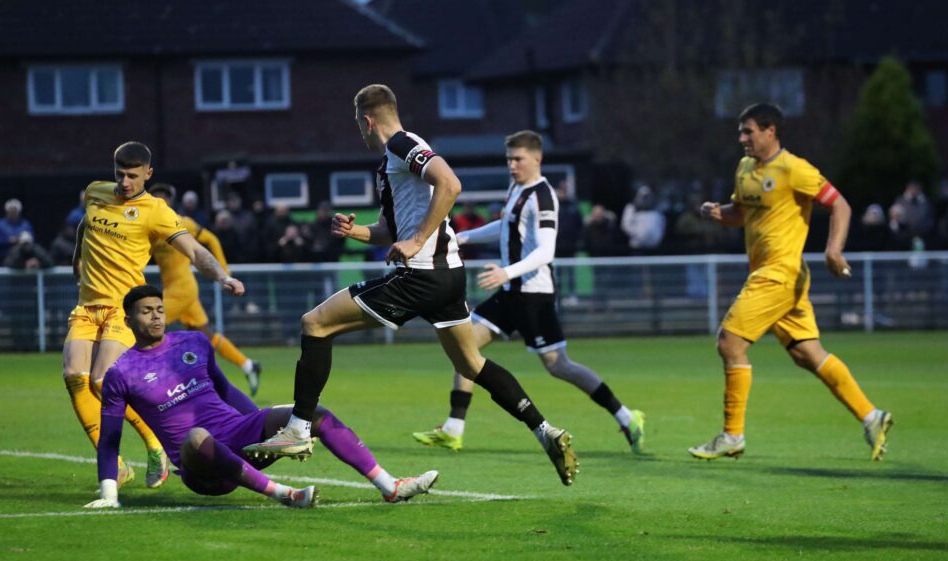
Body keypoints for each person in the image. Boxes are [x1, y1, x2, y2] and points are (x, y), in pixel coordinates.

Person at [250, 84, 579, 486]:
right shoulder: (396, 158)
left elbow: (450, 184)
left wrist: (418, 240)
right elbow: (392, 230)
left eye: (359, 125)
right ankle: (545, 431)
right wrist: (357, 233)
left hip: (420, 276)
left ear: (367, 121)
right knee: (470, 363)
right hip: (446, 277)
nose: (360, 132)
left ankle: (299, 427)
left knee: (315, 323)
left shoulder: (404, 145)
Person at [84, 285, 439, 509]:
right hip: (201, 468)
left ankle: (390, 486)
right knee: (196, 438)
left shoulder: (192, 342)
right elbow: (110, 437)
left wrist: (261, 428)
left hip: (237, 436)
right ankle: (283, 493)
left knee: (312, 412)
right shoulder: (120, 373)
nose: (156, 316)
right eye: (146, 311)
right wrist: (109, 493)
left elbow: (225, 390)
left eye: (159, 309)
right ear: (128, 321)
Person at [412, 130, 646, 455]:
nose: (512, 165)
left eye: (518, 159)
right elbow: (505, 227)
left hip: (534, 295)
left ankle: (626, 415)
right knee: (464, 348)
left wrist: (506, 271)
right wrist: (462, 238)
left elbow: (546, 251)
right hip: (510, 292)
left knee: (558, 366)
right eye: (509, 158)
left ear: (537, 158)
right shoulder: (516, 188)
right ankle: (454, 428)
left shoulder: (543, 196)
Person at [688, 103, 893, 461]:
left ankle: (732, 435)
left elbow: (840, 205)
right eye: (741, 131)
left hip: (779, 274)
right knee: (806, 353)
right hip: (776, 275)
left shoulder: (795, 169)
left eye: (748, 131)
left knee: (729, 343)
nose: (742, 138)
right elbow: (741, 213)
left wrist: (833, 250)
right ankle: (872, 417)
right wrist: (719, 213)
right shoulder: (745, 168)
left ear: (771, 131)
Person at [64, 141, 244, 493]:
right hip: (87, 306)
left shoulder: (156, 210)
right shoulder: (96, 192)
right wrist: (77, 263)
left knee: (102, 381)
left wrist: (222, 276)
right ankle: (116, 466)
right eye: (120, 174)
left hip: (122, 307)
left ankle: (155, 445)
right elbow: (84, 228)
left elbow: (193, 249)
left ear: (149, 173)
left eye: (133, 175)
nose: (125, 182)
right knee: (74, 376)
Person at [147, 183, 262, 395]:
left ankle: (156, 385)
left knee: (147, 327)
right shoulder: (150, 226)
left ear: (171, 202)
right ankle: (248, 365)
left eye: (164, 197)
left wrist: (224, 273)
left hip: (182, 289)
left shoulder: (182, 222)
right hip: (178, 289)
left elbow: (211, 239)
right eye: (156, 197)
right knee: (205, 334)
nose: (160, 201)